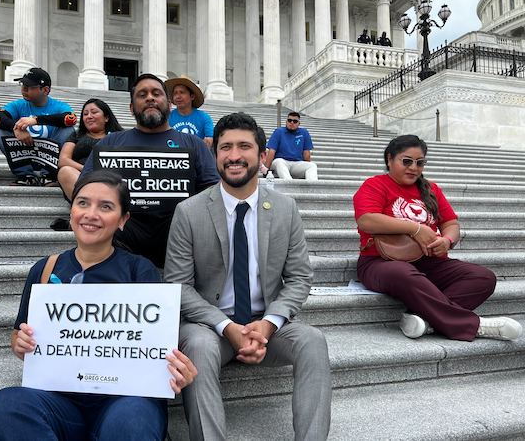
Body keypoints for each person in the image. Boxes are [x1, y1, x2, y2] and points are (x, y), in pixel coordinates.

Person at [0, 170, 197, 441]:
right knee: (2, 409)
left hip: (124, 400)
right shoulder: (45, 269)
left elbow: (160, 349)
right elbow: (18, 335)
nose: (91, 213)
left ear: (123, 220)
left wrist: (177, 369)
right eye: (83, 203)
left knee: (132, 424)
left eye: (106, 206)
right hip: (57, 401)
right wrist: (20, 343)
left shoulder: (140, 271)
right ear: (72, 213)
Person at [164, 112, 331, 441]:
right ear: (216, 156)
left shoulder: (285, 209)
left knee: (313, 340)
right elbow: (177, 285)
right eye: (225, 147)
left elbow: (299, 278)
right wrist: (227, 327)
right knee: (196, 345)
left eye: (244, 146)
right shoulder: (189, 211)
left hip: (265, 322)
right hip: (211, 325)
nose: (234, 155)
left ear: (262, 154)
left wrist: (268, 324)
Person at [353, 135, 523, 342]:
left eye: (420, 163)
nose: (413, 168)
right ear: (390, 159)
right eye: (406, 161)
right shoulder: (375, 185)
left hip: (429, 261)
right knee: (403, 273)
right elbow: (366, 220)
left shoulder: (431, 189)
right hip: (381, 261)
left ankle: (424, 320)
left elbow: (451, 224)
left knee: (483, 277)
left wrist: (447, 241)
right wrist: (415, 229)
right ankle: (473, 325)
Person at [79, 73, 219, 268]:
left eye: (156, 93)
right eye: (142, 94)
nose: (150, 98)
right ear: (130, 108)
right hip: (120, 241)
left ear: (169, 105)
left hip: (180, 240)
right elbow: (84, 188)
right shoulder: (110, 143)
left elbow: (213, 191)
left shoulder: (194, 145)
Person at [0, 67, 77, 186]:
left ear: (45, 90)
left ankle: (50, 173)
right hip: (24, 150)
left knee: (68, 129)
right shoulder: (19, 104)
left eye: (30, 86)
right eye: (23, 85)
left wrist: (36, 120)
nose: (24, 89)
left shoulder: (58, 105)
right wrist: (16, 128)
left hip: (49, 153)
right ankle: (24, 174)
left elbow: (70, 119)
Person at [58, 98, 123, 200]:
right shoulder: (77, 135)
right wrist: (87, 169)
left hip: (109, 179)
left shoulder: (119, 136)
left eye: (94, 112)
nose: (89, 117)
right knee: (65, 171)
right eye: (85, 114)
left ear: (106, 117)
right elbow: (63, 160)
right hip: (81, 177)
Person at [264, 111, 318, 181]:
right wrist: (266, 170)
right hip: (281, 162)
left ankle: (312, 189)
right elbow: (271, 152)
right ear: (286, 122)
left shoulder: (304, 132)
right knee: (279, 162)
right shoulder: (279, 131)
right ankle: (290, 185)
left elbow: (306, 154)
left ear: (299, 124)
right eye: (289, 120)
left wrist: (305, 167)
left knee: (312, 166)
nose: (292, 123)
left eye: (295, 121)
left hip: (296, 164)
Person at [165, 76, 214, 149]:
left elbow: (209, 140)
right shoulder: (167, 118)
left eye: (182, 92)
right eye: (175, 93)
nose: (178, 96)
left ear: (192, 96)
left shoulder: (204, 118)